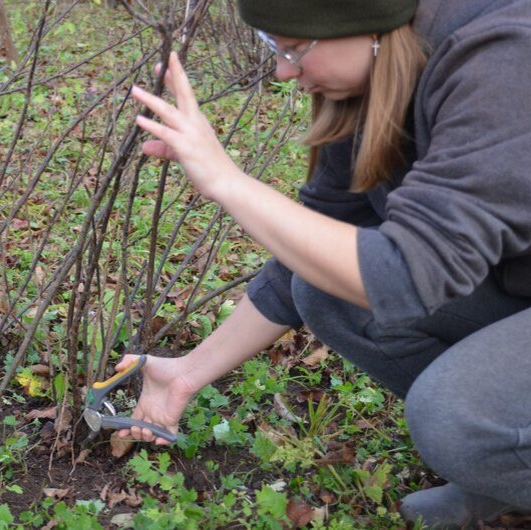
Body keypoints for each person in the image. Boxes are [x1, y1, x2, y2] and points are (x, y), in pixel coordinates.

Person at [115, 0, 531, 527]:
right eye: (275, 46)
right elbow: (308, 257)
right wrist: (185, 376)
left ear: (365, 23)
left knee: (456, 420)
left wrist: (227, 181)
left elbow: (407, 273)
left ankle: (491, 444)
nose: (284, 71)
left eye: (296, 48)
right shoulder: (374, 83)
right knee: (323, 289)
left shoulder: (505, 59)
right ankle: (499, 468)